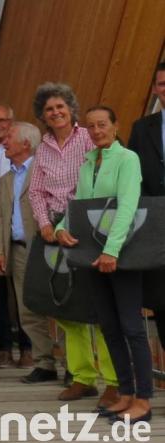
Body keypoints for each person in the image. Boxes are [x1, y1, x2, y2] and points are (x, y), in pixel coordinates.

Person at [55, 106, 150, 424]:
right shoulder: (88, 164)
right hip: (92, 257)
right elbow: (80, 207)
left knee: (132, 328)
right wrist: (60, 228)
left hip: (120, 256)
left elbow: (128, 207)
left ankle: (143, 398)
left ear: (115, 125)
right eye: (91, 126)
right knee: (108, 326)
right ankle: (124, 392)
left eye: (103, 125)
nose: (97, 131)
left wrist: (112, 251)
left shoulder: (127, 159)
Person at [28, 82, 118, 404]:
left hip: (87, 228)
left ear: (70, 109)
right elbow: (36, 191)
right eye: (49, 109)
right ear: (43, 115)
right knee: (64, 307)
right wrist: (44, 223)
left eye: (60, 107)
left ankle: (114, 380)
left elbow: (97, 184)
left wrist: (69, 222)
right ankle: (81, 376)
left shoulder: (87, 138)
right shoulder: (43, 148)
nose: (55, 112)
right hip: (52, 231)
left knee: (98, 306)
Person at [0, 122, 60, 384]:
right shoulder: (6, 179)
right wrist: (0, 251)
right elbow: (0, 218)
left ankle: (78, 369)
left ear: (25, 144)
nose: (4, 140)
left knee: (60, 306)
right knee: (27, 309)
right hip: (18, 251)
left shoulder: (43, 170)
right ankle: (45, 363)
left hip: (47, 249)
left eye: (9, 137)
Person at [0, 104, 29, 369]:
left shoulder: (23, 152)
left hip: (19, 224)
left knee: (23, 292)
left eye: (3, 120)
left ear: (11, 123)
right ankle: (2, 347)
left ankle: (26, 346)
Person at [128, 62, 165, 350]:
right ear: (155, 89)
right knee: (162, 301)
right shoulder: (141, 129)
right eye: (162, 84)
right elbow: (134, 179)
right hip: (156, 227)